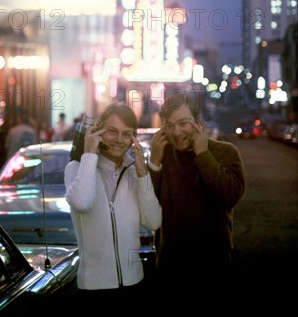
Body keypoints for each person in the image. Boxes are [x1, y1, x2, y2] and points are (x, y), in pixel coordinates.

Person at [148, 93, 245, 295]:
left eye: (184, 123)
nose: (177, 132)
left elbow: (229, 195)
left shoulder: (226, 152)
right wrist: (154, 162)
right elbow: (148, 207)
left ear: (198, 122)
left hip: (213, 265)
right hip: (170, 266)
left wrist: (203, 154)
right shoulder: (162, 153)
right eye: (169, 125)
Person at [64, 103, 162, 301]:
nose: (119, 140)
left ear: (133, 138)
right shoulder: (77, 168)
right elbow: (83, 203)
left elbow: (153, 222)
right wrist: (89, 154)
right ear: (97, 131)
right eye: (112, 131)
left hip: (135, 283)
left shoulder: (135, 172)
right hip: (93, 290)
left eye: (126, 134)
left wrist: (143, 172)